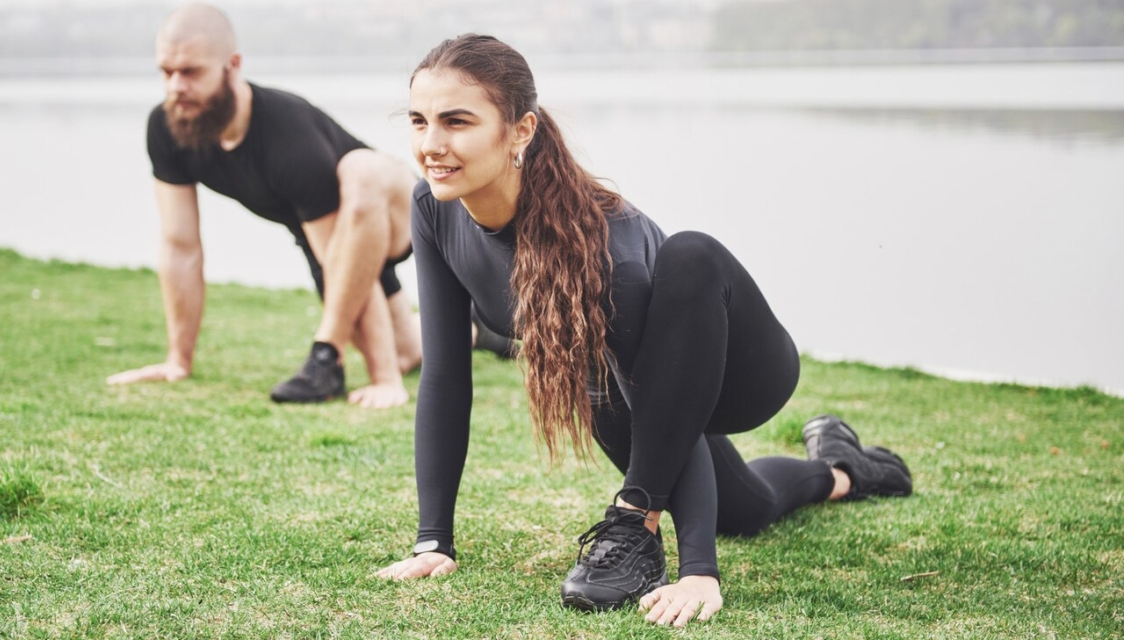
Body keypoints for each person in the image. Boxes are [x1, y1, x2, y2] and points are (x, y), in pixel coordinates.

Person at [375, 35, 912, 626]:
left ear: (520, 131)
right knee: (746, 510)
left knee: (690, 254)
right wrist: (433, 541)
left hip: (742, 370)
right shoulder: (433, 208)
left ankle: (664, 529)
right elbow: (447, 378)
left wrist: (697, 571)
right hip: (630, 383)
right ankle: (843, 468)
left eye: (457, 121)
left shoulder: (603, 249)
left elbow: (666, 408)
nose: (431, 144)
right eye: (419, 121)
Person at [105, 3, 421, 408]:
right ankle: (478, 331)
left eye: (191, 72)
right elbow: (180, 246)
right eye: (166, 72)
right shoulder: (169, 127)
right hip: (321, 233)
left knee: (361, 173)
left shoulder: (287, 138)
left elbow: (343, 260)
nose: (175, 87)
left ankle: (329, 358)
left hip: (392, 213)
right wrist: (177, 360)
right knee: (408, 351)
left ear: (232, 65)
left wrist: (383, 379)